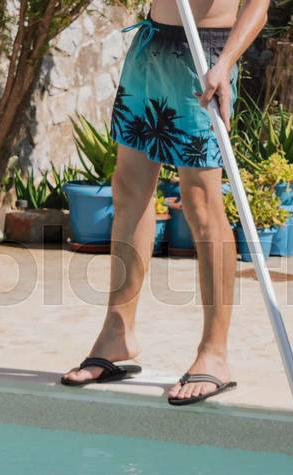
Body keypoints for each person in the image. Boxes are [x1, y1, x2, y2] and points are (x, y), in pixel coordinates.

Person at [61, 0, 269, 405]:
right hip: (151, 45)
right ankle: (117, 333)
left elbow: (258, 8)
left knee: (200, 200)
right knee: (129, 190)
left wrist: (225, 63)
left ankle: (215, 353)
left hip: (205, 58)